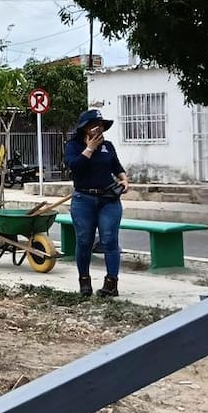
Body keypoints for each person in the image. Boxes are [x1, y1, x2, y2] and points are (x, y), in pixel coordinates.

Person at [64, 108, 131, 298]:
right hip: (83, 200)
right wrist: (89, 149)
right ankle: (84, 281)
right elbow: (74, 168)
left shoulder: (108, 146)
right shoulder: (73, 146)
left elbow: (117, 167)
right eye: (93, 126)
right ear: (85, 129)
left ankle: (111, 283)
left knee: (110, 240)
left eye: (100, 126)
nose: (98, 130)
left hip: (108, 199)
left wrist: (124, 179)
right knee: (84, 241)